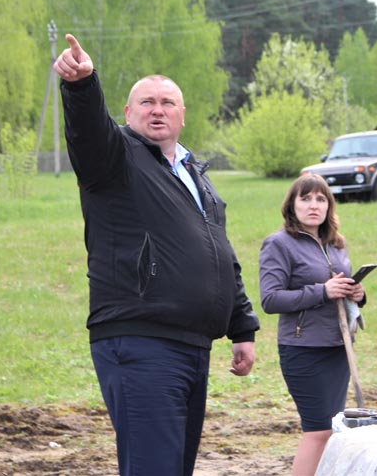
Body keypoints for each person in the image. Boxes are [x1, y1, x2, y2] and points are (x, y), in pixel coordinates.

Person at [53, 34, 260, 475]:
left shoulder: (194, 174)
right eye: (147, 102)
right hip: (140, 339)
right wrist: (81, 86)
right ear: (128, 113)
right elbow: (88, 131)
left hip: (191, 345)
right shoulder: (115, 158)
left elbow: (219, 253)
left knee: (175, 466)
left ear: (182, 115)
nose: (157, 109)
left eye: (168, 102)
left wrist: (242, 325)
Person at [258, 174, 367, 476]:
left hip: (338, 347)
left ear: (329, 206)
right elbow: (270, 299)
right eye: (305, 199)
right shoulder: (279, 244)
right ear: (292, 205)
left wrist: (356, 293)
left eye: (320, 199)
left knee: (333, 430)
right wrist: (322, 291)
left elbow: (340, 287)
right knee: (318, 430)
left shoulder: (336, 244)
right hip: (303, 349)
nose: (313, 205)